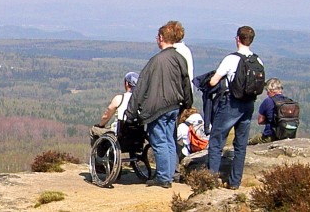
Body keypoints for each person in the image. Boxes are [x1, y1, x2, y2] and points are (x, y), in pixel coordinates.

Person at [125, 20, 193, 188]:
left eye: (158, 36)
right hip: (174, 106)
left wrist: (131, 112)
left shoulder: (156, 61)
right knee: (169, 140)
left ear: (161, 38)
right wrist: (187, 103)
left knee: (160, 141)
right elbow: (186, 82)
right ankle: (168, 175)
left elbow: (140, 88)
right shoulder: (179, 58)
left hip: (158, 107)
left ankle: (163, 178)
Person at [206, 26, 263, 190]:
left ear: (238, 38)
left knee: (217, 141)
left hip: (231, 103)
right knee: (241, 145)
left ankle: (210, 180)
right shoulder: (257, 60)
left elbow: (213, 81)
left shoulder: (231, 59)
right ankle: (234, 182)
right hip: (248, 104)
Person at [90, 72, 140, 144]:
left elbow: (106, 116)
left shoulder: (119, 99)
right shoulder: (141, 100)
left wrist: (101, 125)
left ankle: (98, 153)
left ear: (126, 83)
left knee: (94, 130)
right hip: (137, 134)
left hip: (119, 134)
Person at [255, 78, 286, 143]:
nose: (267, 93)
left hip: (271, 136)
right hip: (286, 135)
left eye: (267, 90)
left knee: (250, 141)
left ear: (271, 90)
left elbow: (260, 121)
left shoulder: (268, 101)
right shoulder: (288, 101)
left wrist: (270, 120)